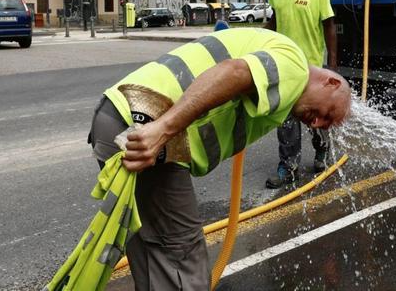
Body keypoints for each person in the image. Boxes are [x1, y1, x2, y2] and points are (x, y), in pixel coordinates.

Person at [88, 28, 351, 290]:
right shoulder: (296, 67)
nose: (317, 124)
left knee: (152, 252)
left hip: (120, 116)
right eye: (327, 114)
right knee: (182, 258)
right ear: (331, 83)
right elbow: (234, 72)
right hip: (144, 126)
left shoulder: (282, 79)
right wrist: (162, 129)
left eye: (325, 124)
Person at [264, 0, 338, 189]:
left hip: (312, 69)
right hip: (284, 68)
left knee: (315, 119)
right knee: (286, 121)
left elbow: (329, 26)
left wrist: (333, 66)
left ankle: (321, 151)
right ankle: (289, 167)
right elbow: (274, 20)